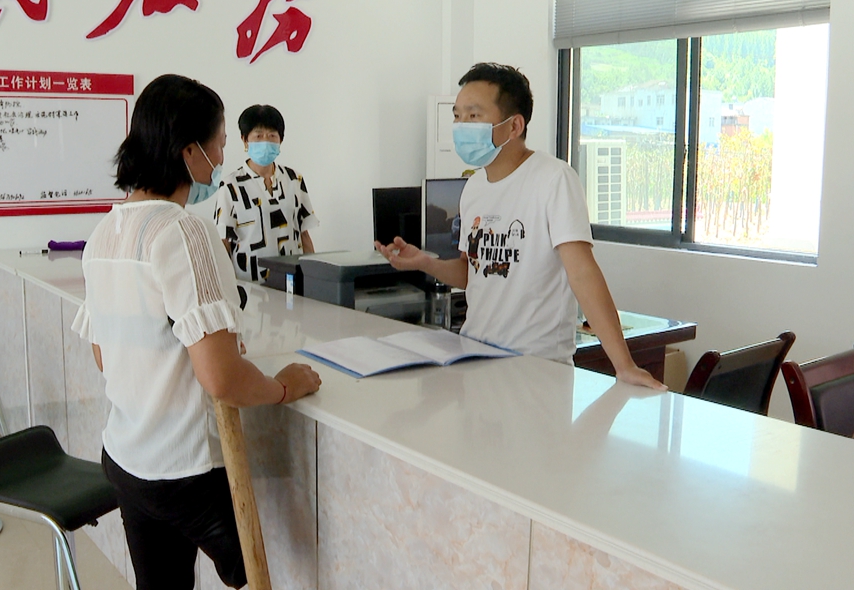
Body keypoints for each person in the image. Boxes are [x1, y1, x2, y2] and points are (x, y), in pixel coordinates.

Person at [72, 74, 321, 590]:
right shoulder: (185, 232)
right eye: (220, 144)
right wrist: (283, 387)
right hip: (185, 472)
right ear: (190, 152)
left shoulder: (104, 233)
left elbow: (104, 355)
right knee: (261, 575)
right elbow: (222, 379)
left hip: (125, 460)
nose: (222, 158)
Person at [375, 63, 664, 391]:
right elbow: (471, 273)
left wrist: (624, 366)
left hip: (536, 369)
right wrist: (425, 262)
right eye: (457, 116)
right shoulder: (474, 188)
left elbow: (583, 274)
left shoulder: (554, 179)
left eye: (474, 115)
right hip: (475, 359)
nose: (461, 126)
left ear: (514, 125)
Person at [214, 104, 319, 282]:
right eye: (258, 136)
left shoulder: (294, 179)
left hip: (292, 281)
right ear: (245, 140)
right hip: (249, 284)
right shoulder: (230, 185)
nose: (265, 141)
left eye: (272, 136)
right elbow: (224, 243)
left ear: (280, 140)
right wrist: (225, 285)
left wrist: (314, 278)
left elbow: (304, 234)